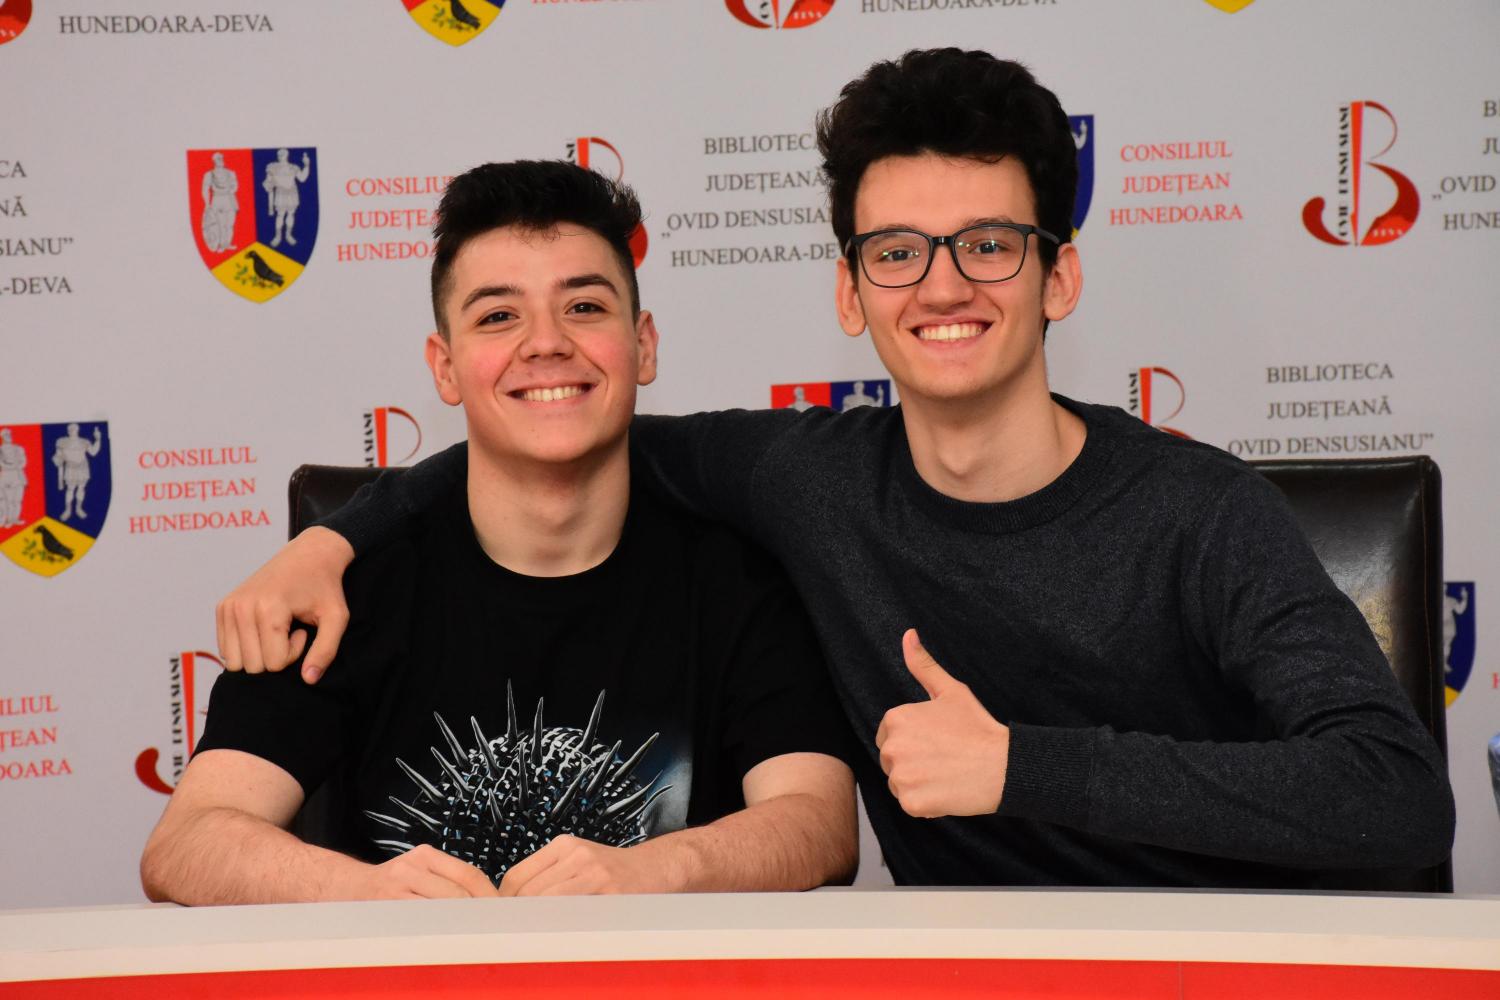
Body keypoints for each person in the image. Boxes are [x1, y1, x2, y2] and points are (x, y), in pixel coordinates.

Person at [213, 49, 1454, 888]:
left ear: (1059, 274)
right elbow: (557, 418)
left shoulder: (1200, 512)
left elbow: (1399, 795)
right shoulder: (803, 479)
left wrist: (1022, 765)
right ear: (851, 293)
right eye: (898, 251)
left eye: (989, 243)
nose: (943, 286)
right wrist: (335, 535)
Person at [140, 161, 857, 904]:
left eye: (584, 306)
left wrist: (658, 870)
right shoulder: (342, 589)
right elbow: (186, 844)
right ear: (445, 367)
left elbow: (819, 824)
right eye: (497, 316)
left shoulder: (741, 572)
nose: (546, 343)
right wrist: (366, 894)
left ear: (643, 345)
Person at [262, 148, 311, 248]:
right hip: (280, 193)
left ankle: (288, 235)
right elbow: (268, 183)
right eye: (279, 154)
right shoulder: (272, 167)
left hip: (292, 193)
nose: (281, 156)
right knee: (280, 215)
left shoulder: (294, 167)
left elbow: (302, 178)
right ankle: (278, 236)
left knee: (291, 214)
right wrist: (268, 186)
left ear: (287, 155)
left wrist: (306, 165)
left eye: (283, 154)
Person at [51, 423, 100, 521]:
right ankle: (68, 510)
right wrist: (56, 460)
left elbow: (93, 452)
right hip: (70, 468)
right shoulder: (62, 442)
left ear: (78, 430)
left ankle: (79, 508)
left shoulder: (84, 442)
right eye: (70, 429)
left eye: (74, 429)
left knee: (81, 488)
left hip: (82, 467)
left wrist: (98, 439)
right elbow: (58, 455)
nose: (72, 431)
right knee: (70, 489)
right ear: (68, 431)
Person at [200, 152, 239, 253]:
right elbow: (205, 190)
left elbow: (235, 186)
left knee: (229, 224)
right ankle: (221, 245)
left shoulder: (231, 173)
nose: (220, 160)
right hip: (217, 199)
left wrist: (230, 190)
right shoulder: (209, 174)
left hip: (229, 199)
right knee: (220, 225)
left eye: (221, 158)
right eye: (218, 159)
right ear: (214, 161)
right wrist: (207, 203)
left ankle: (227, 243)